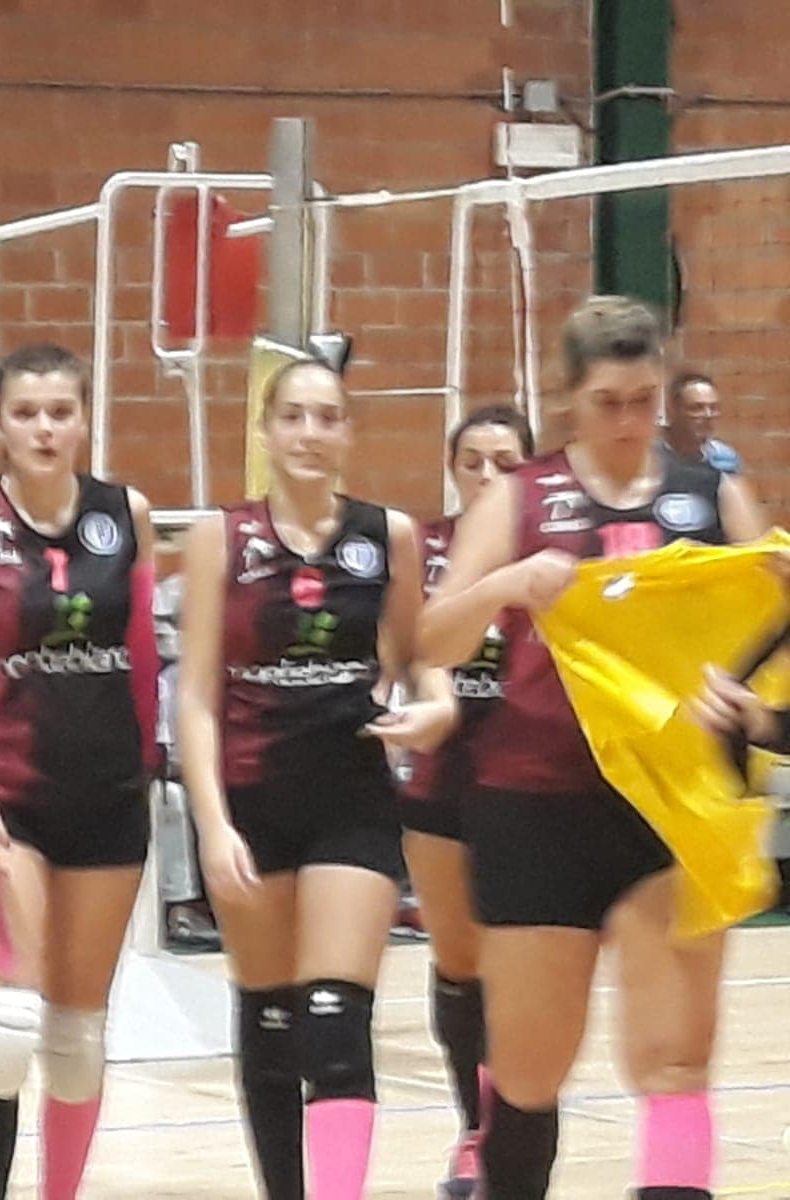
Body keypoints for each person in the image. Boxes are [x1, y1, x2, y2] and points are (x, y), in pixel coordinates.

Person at [419, 295, 767, 1200]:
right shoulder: (520, 497)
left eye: (644, 401)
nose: (628, 421)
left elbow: (771, 639)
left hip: (670, 804)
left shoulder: (709, 496)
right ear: (569, 397)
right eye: (608, 402)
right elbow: (434, 639)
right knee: (529, 1071)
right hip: (537, 804)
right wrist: (505, 584)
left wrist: (749, 700)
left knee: (676, 1062)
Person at [175, 358, 456, 1200]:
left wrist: (436, 703)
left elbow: (419, 654)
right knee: (270, 1022)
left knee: (336, 1024)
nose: (309, 433)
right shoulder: (221, 538)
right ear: (265, 431)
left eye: (327, 417)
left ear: (348, 433)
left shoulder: (387, 535)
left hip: (350, 799)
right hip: (249, 799)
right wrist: (213, 825)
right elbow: (196, 696)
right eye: (293, 416)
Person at [0, 343, 160, 1200]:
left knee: (77, 1042)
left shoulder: (125, 513)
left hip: (106, 797)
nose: (45, 428)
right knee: (6, 1024)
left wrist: (148, 767)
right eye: (26, 413)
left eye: (61, 411)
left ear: (85, 418)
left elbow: (141, 658)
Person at [399, 404, 533, 1199]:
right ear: (452, 470)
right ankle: (474, 1131)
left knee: (519, 962)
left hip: (529, 776)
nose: (487, 476)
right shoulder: (424, 549)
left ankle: (511, 1127)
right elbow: (404, 644)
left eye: (505, 462)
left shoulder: (552, 548)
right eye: (472, 462)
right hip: (442, 776)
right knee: (458, 960)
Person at [663, 372, 741, 474]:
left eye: (713, 408)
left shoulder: (725, 457)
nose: (708, 415)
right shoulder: (651, 457)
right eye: (696, 408)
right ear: (672, 412)